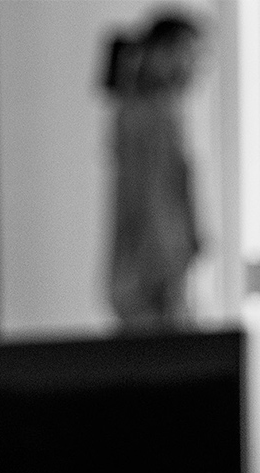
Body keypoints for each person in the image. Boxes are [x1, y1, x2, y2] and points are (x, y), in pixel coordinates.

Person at [103, 12, 205, 328]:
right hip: (152, 279)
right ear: (162, 52)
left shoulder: (148, 110)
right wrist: (168, 269)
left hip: (154, 273)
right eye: (188, 53)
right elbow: (148, 199)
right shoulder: (148, 115)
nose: (194, 66)